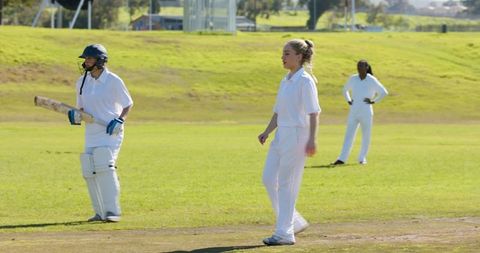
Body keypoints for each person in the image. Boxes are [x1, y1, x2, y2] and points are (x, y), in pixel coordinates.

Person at [258, 39, 321, 246]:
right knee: (269, 179)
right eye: (282, 53)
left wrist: (312, 139)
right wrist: (267, 132)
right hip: (280, 136)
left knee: (287, 185)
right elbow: (278, 111)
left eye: (287, 53)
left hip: (297, 136)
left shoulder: (306, 81)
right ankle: (294, 220)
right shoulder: (285, 80)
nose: (282, 57)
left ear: (299, 56)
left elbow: (314, 113)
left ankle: (284, 233)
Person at [68, 44, 133, 222]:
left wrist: (121, 120)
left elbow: (128, 103)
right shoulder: (81, 81)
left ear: (100, 61)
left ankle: (113, 212)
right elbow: (80, 107)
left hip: (111, 131)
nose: (86, 62)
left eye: (89, 58)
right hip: (92, 131)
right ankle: (99, 212)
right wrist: (76, 115)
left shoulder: (113, 80)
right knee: (89, 169)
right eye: (85, 58)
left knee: (105, 165)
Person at [331, 60, 388, 166]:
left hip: (366, 111)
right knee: (349, 135)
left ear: (366, 67)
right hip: (353, 111)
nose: (359, 68)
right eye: (358, 66)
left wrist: (373, 101)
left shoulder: (371, 80)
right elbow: (345, 90)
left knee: (366, 135)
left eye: (361, 66)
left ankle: (362, 158)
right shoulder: (353, 78)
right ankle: (342, 159)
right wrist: (348, 100)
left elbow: (384, 92)